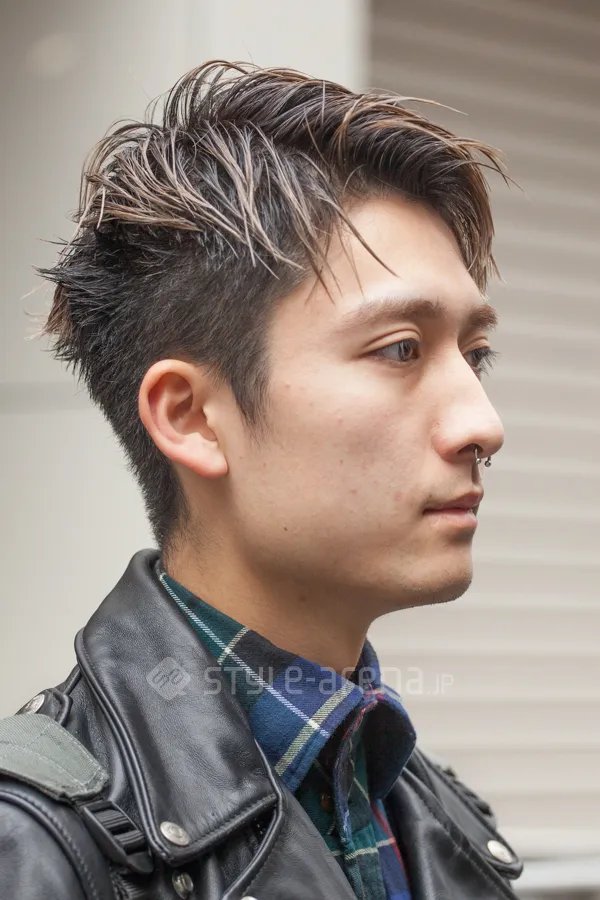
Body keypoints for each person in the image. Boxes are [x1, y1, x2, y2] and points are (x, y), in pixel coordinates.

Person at [0, 61, 523, 899]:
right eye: (399, 349)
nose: (482, 425)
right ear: (192, 417)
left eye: (476, 354)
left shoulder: (434, 815)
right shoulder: (34, 847)